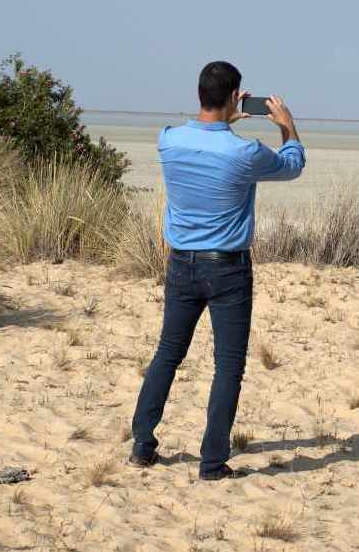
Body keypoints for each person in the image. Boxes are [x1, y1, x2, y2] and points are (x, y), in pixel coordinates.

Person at [129, 61, 305, 480]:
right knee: (228, 366)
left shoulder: (168, 141)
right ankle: (211, 462)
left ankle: (142, 445)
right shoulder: (245, 153)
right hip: (228, 270)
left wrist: (225, 116)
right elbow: (293, 165)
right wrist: (287, 126)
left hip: (180, 264)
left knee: (168, 355)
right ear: (233, 96)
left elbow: (202, 134)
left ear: (198, 96)